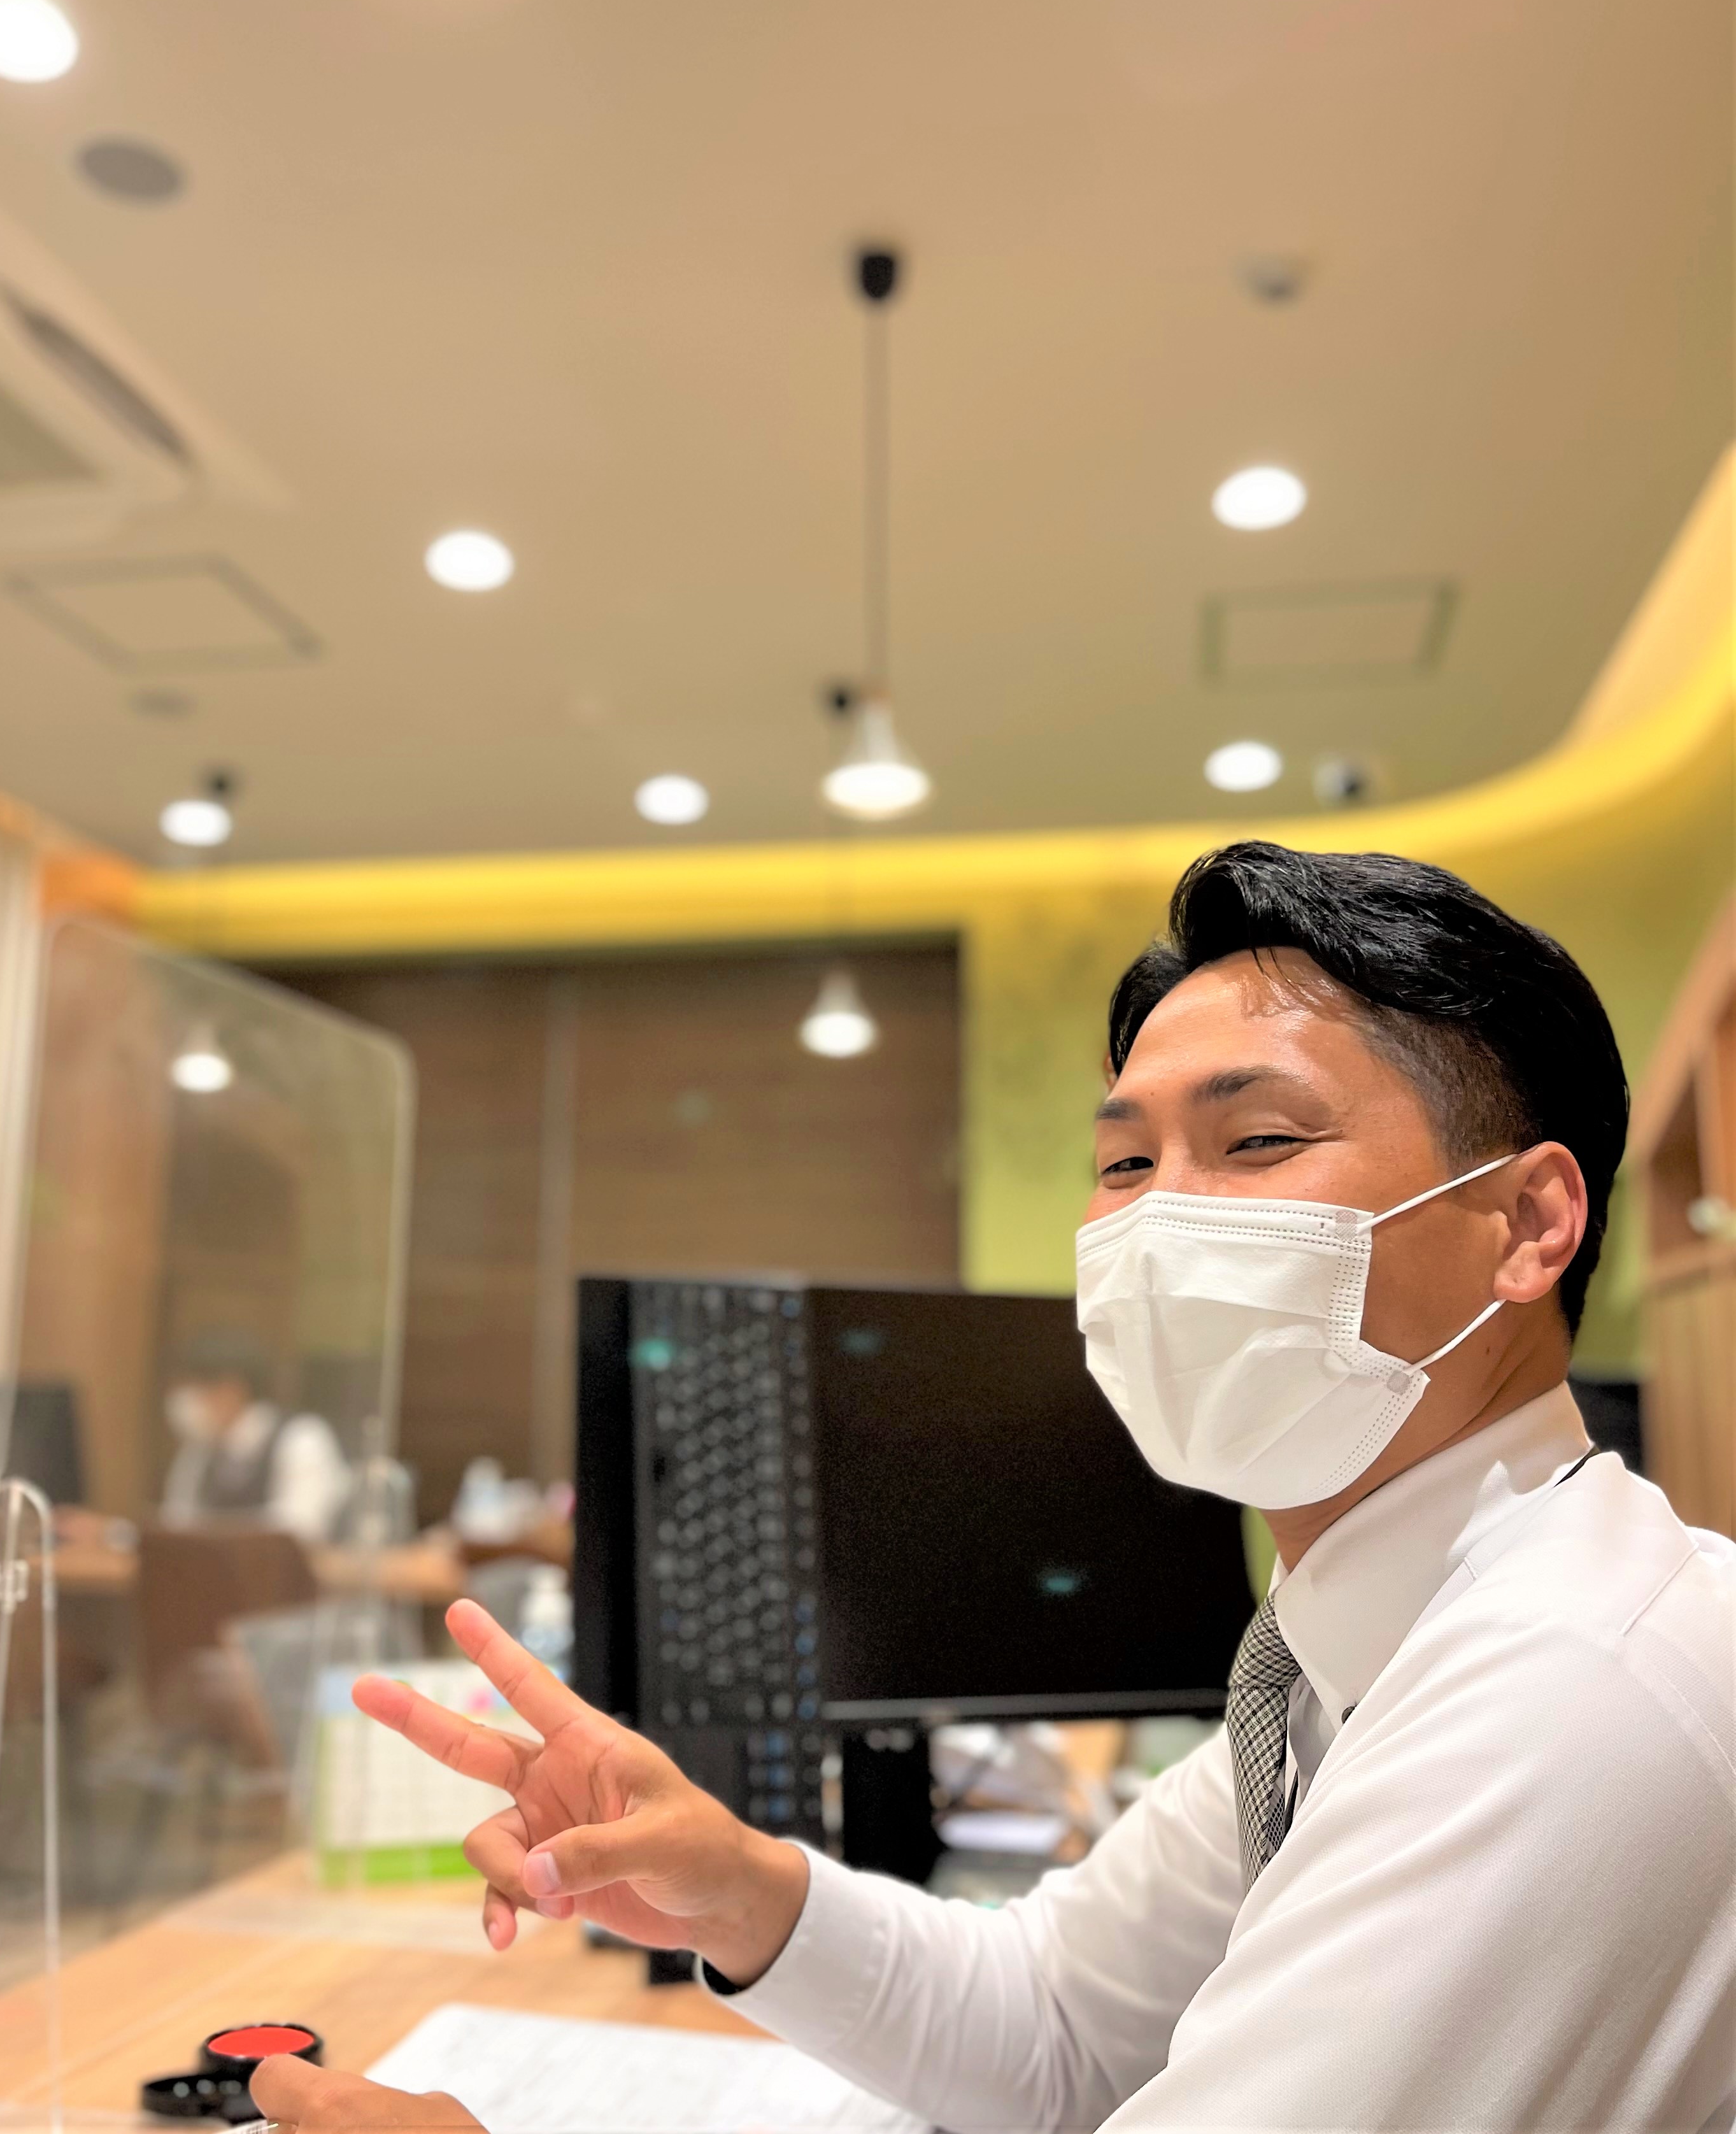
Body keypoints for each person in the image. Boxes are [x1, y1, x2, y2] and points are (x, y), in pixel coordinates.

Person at [256, 844, 1735, 2133]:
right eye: (1122, 1162)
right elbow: (1055, 2024)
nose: (1157, 1220)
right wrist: (739, 1885)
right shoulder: (1358, 1640)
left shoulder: (1555, 1682)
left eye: (1256, 1141)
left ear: (1523, 1222)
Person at [159, 1330, 351, 1545]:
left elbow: (301, 1527)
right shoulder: (199, 1453)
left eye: (196, 1390)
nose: (186, 1403)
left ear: (231, 1389)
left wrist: (212, 1533)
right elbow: (176, 1523)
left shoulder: (302, 1438)